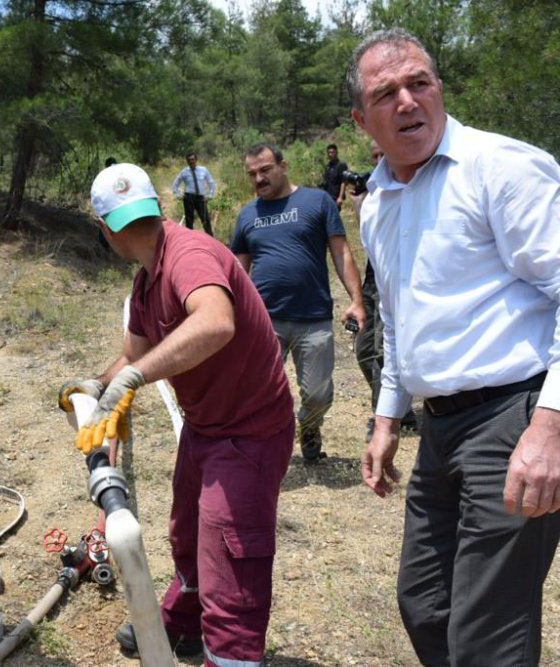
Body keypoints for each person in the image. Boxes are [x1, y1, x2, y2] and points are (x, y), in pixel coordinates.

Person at [350, 29, 560, 666]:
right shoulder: (378, 203)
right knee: (425, 605)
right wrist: (387, 418)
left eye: (419, 82)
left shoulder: (501, 167)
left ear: (439, 89)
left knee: (487, 638)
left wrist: (550, 427)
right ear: (362, 121)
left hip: (514, 417)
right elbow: (399, 318)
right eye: (386, 93)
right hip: (440, 430)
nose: (407, 101)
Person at [59, 163, 295, 665]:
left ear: (104, 229)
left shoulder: (189, 254)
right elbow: (134, 354)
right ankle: (186, 621)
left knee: (231, 556)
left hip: (249, 431)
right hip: (205, 426)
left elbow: (215, 323)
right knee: (188, 534)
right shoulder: (147, 283)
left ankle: (230, 655)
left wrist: (133, 379)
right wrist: (97, 387)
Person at [231, 144, 365, 463]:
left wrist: (357, 300)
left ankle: (310, 426)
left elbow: (341, 252)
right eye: (252, 174)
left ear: (283, 165)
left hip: (313, 316)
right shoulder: (248, 214)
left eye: (265, 170)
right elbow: (238, 269)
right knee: (258, 391)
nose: (259, 179)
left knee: (318, 394)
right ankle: (265, 449)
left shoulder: (317, 201)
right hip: (264, 321)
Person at [349, 143, 418, 441]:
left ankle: (387, 417)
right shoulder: (376, 193)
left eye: (383, 155)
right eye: (374, 157)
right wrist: (360, 204)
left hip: (397, 281)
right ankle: (401, 407)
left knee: (381, 349)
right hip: (372, 280)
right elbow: (370, 242)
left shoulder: (410, 190)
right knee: (364, 349)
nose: (379, 161)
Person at [171, 152, 216, 235]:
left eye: (193, 159)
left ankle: (210, 238)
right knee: (189, 221)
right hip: (189, 198)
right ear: (187, 161)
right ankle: (190, 239)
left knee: (205, 220)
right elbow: (175, 184)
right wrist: (178, 195)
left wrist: (210, 195)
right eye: (189, 160)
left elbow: (211, 182)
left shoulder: (203, 170)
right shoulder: (184, 172)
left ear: (196, 160)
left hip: (201, 198)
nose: (191, 161)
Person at [319, 143, 347, 210]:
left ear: (336, 153)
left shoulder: (341, 165)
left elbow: (344, 182)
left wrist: (340, 197)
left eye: (332, 152)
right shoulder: (328, 166)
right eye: (329, 153)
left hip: (335, 197)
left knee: (334, 215)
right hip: (327, 196)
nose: (330, 154)